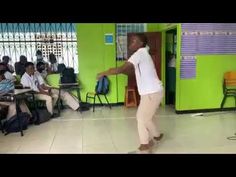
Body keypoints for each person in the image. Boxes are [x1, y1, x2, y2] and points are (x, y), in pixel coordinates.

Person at [97, 33, 164, 153]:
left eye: (133, 41)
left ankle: (145, 146)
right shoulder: (143, 53)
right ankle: (157, 135)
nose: (130, 43)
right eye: (131, 41)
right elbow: (131, 73)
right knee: (146, 118)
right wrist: (120, 70)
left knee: (141, 119)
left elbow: (122, 69)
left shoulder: (139, 54)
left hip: (151, 93)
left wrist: (104, 72)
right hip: (152, 92)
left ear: (141, 43)